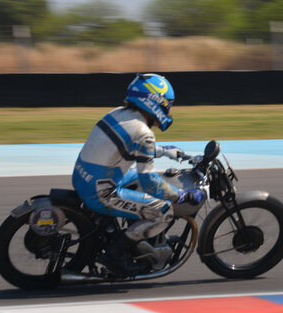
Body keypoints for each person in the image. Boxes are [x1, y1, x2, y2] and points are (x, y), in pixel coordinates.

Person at [72, 73, 204, 274]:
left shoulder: (119, 113)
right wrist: (181, 196)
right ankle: (115, 254)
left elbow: (128, 146)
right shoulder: (143, 132)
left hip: (84, 176)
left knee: (143, 179)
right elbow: (150, 181)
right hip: (100, 190)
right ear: (155, 101)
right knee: (164, 211)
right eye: (167, 104)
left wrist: (162, 151)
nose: (168, 109)